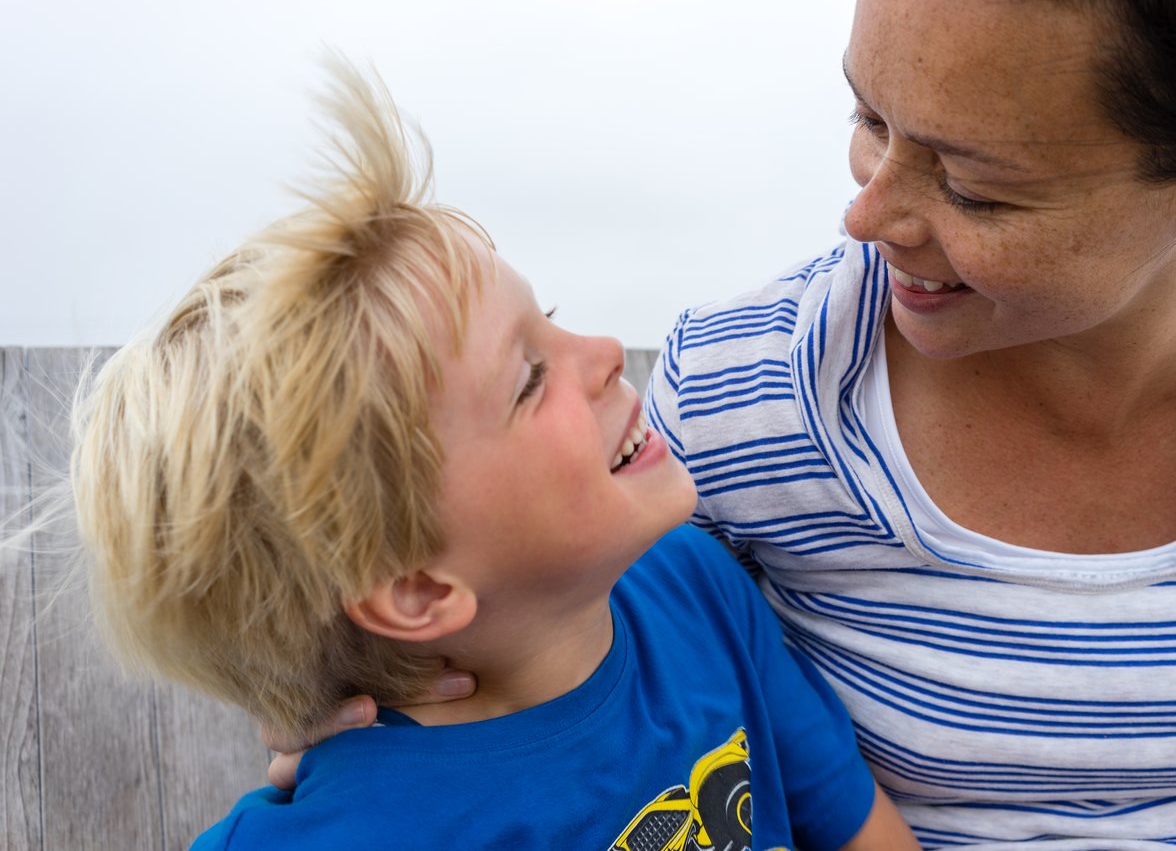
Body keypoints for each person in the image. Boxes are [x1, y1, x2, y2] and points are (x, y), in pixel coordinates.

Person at [276, 0, 1176, 847]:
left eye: (975, 187)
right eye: (870, 118)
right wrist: (356, 725)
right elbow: (540, 615)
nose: (863, 214)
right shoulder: (732, 401)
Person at [68, 56, 919, 850]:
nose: (602, 351)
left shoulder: (695, 586)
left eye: (550, 312)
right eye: (526, 380)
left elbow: (856, 824)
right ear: (416, 588)